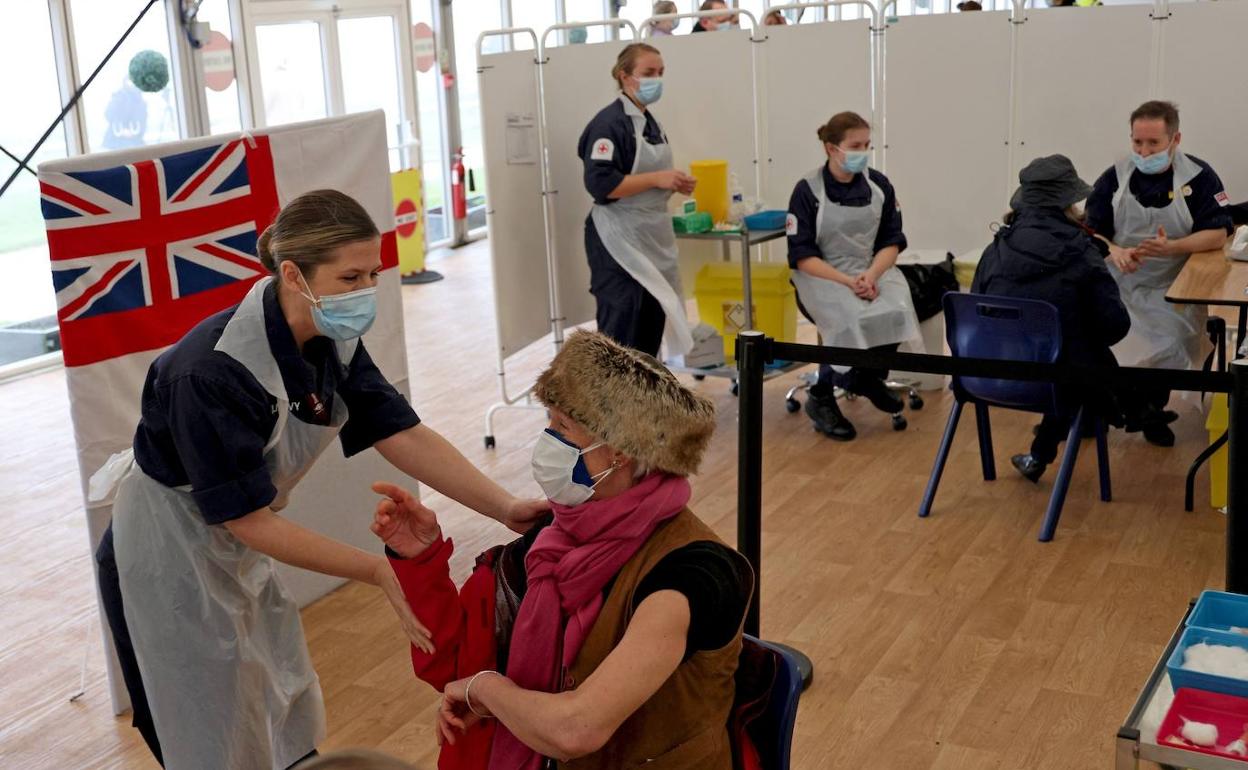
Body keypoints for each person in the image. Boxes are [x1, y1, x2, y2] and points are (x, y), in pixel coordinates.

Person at [92, 190, 547, 770]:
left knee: (277, 689)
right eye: (350, 277)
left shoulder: (330, 337)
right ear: (292, 274)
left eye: (373, 276)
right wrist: (377, 569)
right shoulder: (210, 371)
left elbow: (399, 431)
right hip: (164, 552)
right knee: (201, 719)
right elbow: (247, 519)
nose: (364, 292)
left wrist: (504, 508)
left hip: (232, 540)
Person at [374, 331, 753, 770]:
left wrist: (489, 692)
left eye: (563, 427)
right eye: (549, 421)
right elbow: (455, 669)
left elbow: (578, 728)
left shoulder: (692, 574)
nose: (547, 439)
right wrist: (421, 561)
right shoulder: (549, 541)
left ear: (621, 453)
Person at [1085, 100, 1235, 447]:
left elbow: (1218, 232)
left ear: (1175, 138)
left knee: (1175, 343)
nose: (1143, 150)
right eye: (1137, 142)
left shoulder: (1199, 178)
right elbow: (1092, 234)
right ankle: (1134, 409)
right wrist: (1114, 250)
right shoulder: (1115, 178)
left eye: (1153, 143)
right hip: (1120, 283)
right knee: (1110, 341)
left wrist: (1173, 248)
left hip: (1173, 285)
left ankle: (1146, 406)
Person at [972, 155, 1131, 481]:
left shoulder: (995, 248)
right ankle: (1129, 412)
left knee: (1064, 354)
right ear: (1071, 203)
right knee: (1080, 360)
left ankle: (1041, 453)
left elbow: (976, 312)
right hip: (1056, 384)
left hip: (985, 377)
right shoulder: (1083, 252)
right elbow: (1115, 327)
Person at [785, 111, 920, 441]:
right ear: (831, 148)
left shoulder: (879, 186)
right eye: (855, 145)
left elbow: (892, 241)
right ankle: (824, 396)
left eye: (867, 145)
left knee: (899, 307)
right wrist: (848, 282)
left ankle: (865, 376)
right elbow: (801, 256)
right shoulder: (807, 191)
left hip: (869, 269)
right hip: (821, 275)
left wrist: (872, 275)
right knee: (848, 314)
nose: (863, 151)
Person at [578, 43, 697, 359]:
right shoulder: (609, 125)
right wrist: (657, 179)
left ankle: (642, 405)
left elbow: (643, 178)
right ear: (624, 76)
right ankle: (608, 406)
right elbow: (601, 184)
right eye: (648, 73)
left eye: (660, 73)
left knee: (650, 326)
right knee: (622, 332)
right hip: (616, 238)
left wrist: (672, 183)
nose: (656, 80)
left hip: (649, 235)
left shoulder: (649, 123)